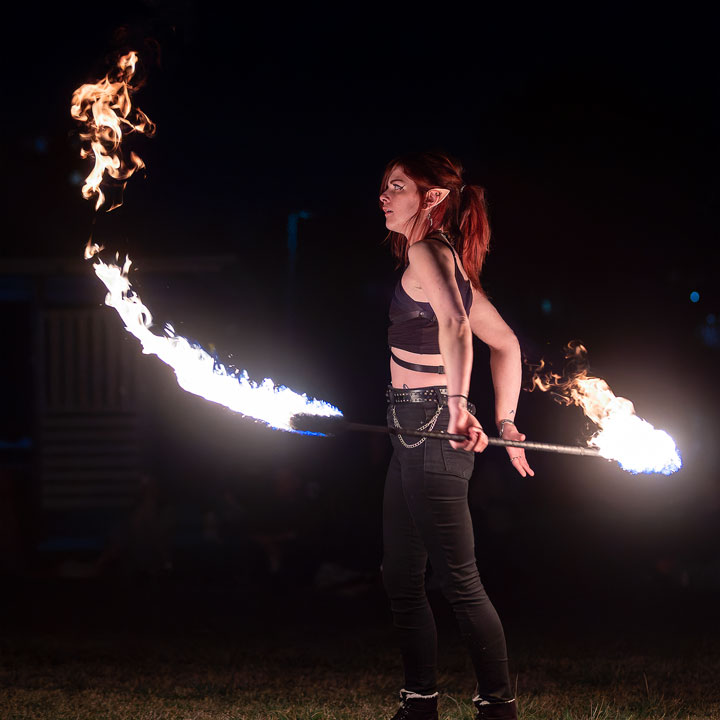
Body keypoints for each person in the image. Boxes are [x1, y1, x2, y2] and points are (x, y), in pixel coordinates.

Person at [380, 151, 534, 720]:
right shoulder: (442, 262)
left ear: (433, 198)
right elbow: (508, 343)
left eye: (397, 186)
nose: (384, 196)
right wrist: (508, 423)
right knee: (401, 574)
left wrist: (458, 407)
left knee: (459, 582)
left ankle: (498, 709)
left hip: (432, 427)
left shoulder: (428, 250)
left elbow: (456, 325)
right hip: (410, 430)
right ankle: (420, 702)